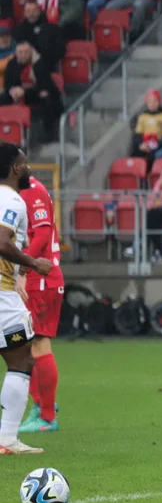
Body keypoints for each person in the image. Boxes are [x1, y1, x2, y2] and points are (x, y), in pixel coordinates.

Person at [0, 143, 52, 454]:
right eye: (25, 162)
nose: (28, 168)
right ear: (15, 168)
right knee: (21, 361)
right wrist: (33, 263)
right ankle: (7, 439)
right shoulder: (12, 200)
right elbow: (1, 241)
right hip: (2, 295)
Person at [16, 174, 63, 435]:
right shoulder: (14, 191)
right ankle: (41, 405)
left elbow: (43, 233)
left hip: (40, 279)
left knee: (38, 343)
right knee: (22, 345)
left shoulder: (32, 190)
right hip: (28, 279)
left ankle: (47, 415)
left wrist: (24, 270)